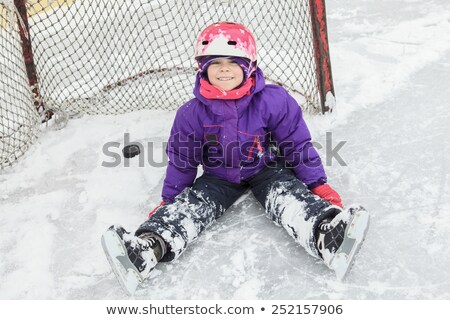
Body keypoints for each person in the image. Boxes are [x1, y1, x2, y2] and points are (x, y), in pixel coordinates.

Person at [101, 21, 370, 295]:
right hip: (219, 177)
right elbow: (183, 159)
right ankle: (147, 248)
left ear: (249, 66)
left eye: (234, 61)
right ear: (203, 68)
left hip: (267, 167)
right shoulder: (190, 113)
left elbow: (296, 143)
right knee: (193, 206)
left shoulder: (273, 100)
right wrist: (171, 200)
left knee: (287, 196)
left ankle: (327, 235)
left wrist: (316, 183)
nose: (225, 69)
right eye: (215, 62)